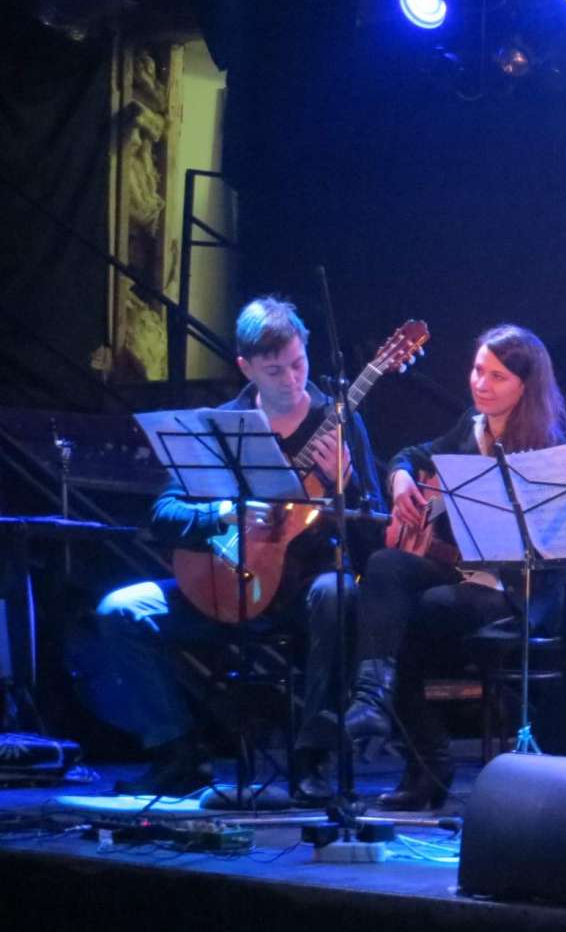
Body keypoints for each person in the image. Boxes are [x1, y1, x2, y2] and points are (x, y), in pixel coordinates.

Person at [91, 296, 385, 800]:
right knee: (120, 611)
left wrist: (345, 487)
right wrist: (223, 513)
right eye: (275, 371)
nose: (291, 379)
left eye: (298, 363)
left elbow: (375, 528)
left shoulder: (337, 423)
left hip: (298, 594)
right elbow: (163, 515)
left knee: (337, 594)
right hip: (220, 583)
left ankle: (312, 759)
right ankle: (178, 753)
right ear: (246, 367)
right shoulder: (220, 426)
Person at [344, 323, 566, 810]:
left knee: (417, 614)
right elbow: (412, 454)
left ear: (525, 386)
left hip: (515, 590)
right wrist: (401, 477)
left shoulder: (548, 446)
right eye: (477, 370)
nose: (481, 384)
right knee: (385, 566)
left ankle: (427, 761)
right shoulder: (471, 425)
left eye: (497, 376)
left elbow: (553, 548)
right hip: (464, 576)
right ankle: (372, 694)